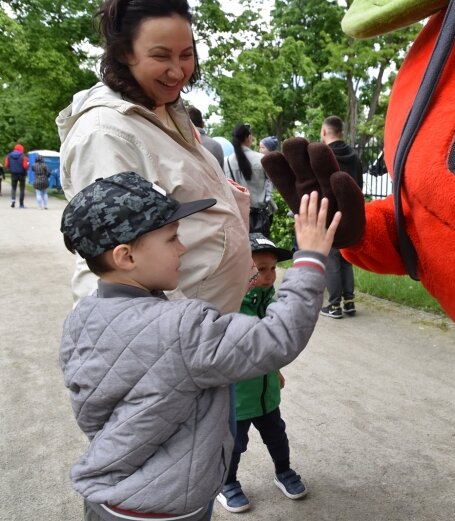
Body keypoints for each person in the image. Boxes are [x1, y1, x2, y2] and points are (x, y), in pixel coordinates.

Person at [59, 171, 339, 521]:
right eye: (172, 239)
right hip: (166, 509)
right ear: (125, 257)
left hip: (108, 499)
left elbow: (93, 408)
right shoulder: (180, 328)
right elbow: (277, 337)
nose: (183, 247)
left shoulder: (81, 317)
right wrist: (310, 258)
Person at [57, 0, 252, 314]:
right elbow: (116, 263)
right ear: (124, 53)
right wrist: (187, 336)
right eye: (160, 56)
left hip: (207, 322)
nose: (177, 71)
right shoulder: (105, 133)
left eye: (186, 55)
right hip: (174, 336)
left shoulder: (166, 111)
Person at [217, 232, 307, 513]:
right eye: (260, 270)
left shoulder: (271, 302)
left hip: (266, 393)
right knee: (235, 444)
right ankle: (226, 482)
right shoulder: (230, 307)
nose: (269, 276)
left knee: (277, 435)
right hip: (239, 396)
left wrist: (275, 370)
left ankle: (284, 471)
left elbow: (271, 344)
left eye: (272, 269)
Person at [319, 115, 363, 318]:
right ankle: (349, 302)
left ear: (324, 131)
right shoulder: (354, 157)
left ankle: (334, 305)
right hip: (351, 215)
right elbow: (359, 187)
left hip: (330, 215)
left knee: (332, 260)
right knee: (346, 258)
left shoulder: (324, 157)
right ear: (341, 132)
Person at [224, 123, 276, 236]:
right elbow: (272, 184)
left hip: (237, 217)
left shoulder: (226, 162)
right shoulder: (261, 159)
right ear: (249, 138)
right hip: (259, 217)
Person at [4, 143, 29, 208]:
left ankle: (13, 201)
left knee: (13, 188)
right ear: (22, 149)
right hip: (22, 175)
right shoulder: (24, 156)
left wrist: (11, 167)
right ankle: (21, 204)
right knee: (22, 189)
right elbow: (25, 166)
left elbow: (6, 165)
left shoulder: (9, 156)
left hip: (13, 174)